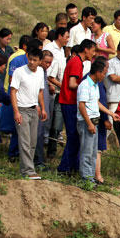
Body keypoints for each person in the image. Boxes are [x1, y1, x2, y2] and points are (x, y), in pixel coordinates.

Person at [77, 59, 119, 183]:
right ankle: (86, 179)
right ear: (98, 72)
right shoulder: (85, 85)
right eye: (104, 73)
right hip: (87, 122)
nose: (104, 76)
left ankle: (90, 177)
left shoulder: (95, 85)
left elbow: (96, 102)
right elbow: (81, 105)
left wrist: (111, 113)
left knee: (93, 152)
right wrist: (89, 123)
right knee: (87, 152)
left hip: (94, 121)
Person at [58, 39, 96, 174]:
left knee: (74, 136)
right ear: (86, 49)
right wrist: (85, 86)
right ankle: (65, 168)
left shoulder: (77, 62)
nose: (93, 53)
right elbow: (71, 83)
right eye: (93, 50)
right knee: (73, 136)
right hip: (68, 102)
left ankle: (71, 166)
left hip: (69, 102)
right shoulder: (76, 62)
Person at [2, 37, 42, 162]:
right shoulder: (18, 60)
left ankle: (24, 157)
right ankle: (13, 154)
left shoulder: (38, 68)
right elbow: (12, 82)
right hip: (19, 101)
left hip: (31, 103)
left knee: (29, 135)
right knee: (16, 129)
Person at [10, 48, 47, 179]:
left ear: (40, 61)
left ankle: (26, 168)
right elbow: (13, 91)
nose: (31, 62)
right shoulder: (19, 72)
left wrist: (42, 108)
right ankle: (28, 170)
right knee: (24, 141)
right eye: (30, 59)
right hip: (22, 109)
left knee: (32, 142)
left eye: (35, 60)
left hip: (34, 109)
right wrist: (16, 112)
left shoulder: (41, 72)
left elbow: (40, 92)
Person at [44, 27, 69, 157]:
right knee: (48, 120)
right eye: (66, 36)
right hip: (50, 88)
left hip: (58, 90)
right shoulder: (50, 49)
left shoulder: (61, 50)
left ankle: (50, 149)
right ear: (59, 36)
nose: (68, 39)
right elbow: (47, 73)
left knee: (55, 122)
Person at [33, 50, 53, 170]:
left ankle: (39, 160)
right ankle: (38, 162)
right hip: (37, 109)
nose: (48, 65)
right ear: (40, 61)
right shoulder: (37, 72)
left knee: (40, 135)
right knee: (37, 135)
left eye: (50, 63)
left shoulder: (44, 72)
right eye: (46, 62)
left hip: (43, 110)